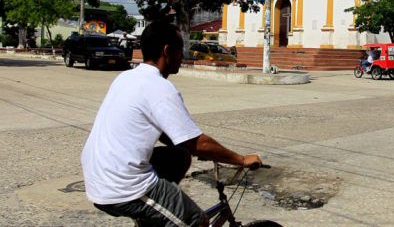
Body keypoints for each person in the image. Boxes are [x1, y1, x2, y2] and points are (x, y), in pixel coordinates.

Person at [81, 21, 262, 227]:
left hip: (99, 174)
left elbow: (174, 138)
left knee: (180, 156)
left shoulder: (127, 77)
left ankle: (157, 215)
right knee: (197, 220)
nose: (182, 56)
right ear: (167, 51)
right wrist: (241, 159)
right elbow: (197, 143)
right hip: (124, 185)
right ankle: (161, 209)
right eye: (179, 50)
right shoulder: (160, 88)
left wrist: (196, 150)